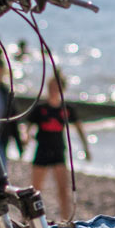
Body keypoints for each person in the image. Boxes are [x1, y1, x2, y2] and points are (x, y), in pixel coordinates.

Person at [26, 70, 85, 220]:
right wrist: (26, 138)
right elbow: (28, 126)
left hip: (59, 151)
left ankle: (66, 220)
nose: (53, 90)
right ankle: (28, 219)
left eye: (56, 87)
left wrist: (86, 148)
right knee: (35, 190)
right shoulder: (40, 108)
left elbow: (79, 127)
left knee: (63, 190)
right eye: (51, 87)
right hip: (42, 151)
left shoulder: (66, 109)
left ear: (62, 89)